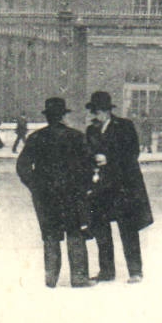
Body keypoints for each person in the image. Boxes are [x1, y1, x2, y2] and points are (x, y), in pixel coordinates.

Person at [15, 97, 95, 288]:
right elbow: (88, 166)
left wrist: (35, 185)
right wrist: (83, 187)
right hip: (72, 195)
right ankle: (79, 277)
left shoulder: (36, 138)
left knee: (50, 235)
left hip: (45, 196)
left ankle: (51, 278)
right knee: (75, 233)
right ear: (63, 116)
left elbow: (22, 166)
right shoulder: (76, 137)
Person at [83, 91, 153, 283]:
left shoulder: (124, 126)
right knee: (101, 228)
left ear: (104, 111)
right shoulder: (91, 131)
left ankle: (135, 271)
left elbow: (132, 153)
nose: (93, 116)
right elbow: (87, 152)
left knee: (128, 228)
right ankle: (106, 271)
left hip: (123, 186)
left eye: (95, 112)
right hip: (101, 187)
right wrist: (93, 160)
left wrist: (109, 159)